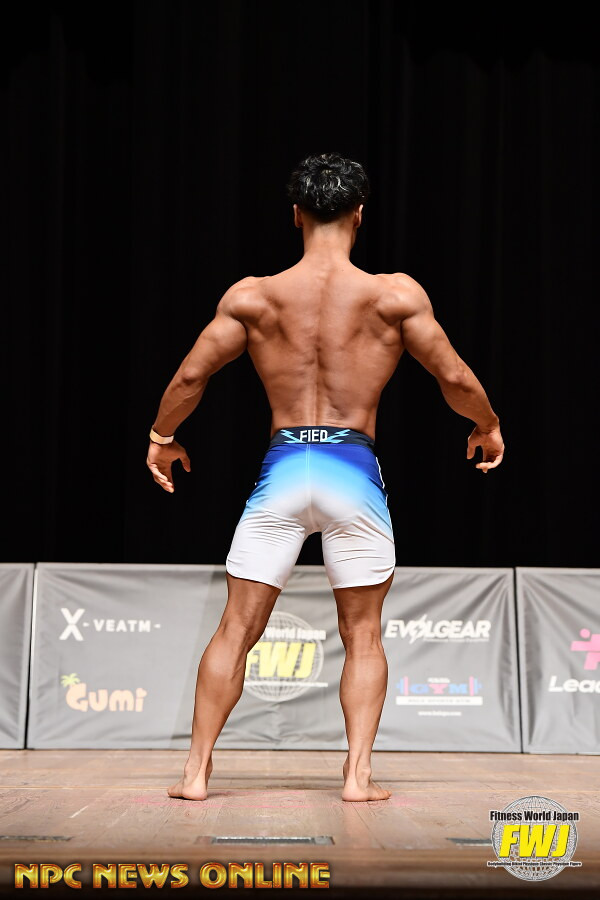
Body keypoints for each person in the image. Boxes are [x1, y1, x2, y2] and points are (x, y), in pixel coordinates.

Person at [146, 152, 504, 802]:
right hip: (352, 473)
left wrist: (161, 437)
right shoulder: (394, 296)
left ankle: (195, 775)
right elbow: (453, 376)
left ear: (296, 214)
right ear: (360, 213)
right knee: (362, 634)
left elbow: (192, 375)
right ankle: (357, 777)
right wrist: (487, 424)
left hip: (284, 470)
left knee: (236, 629)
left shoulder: (253, 297)